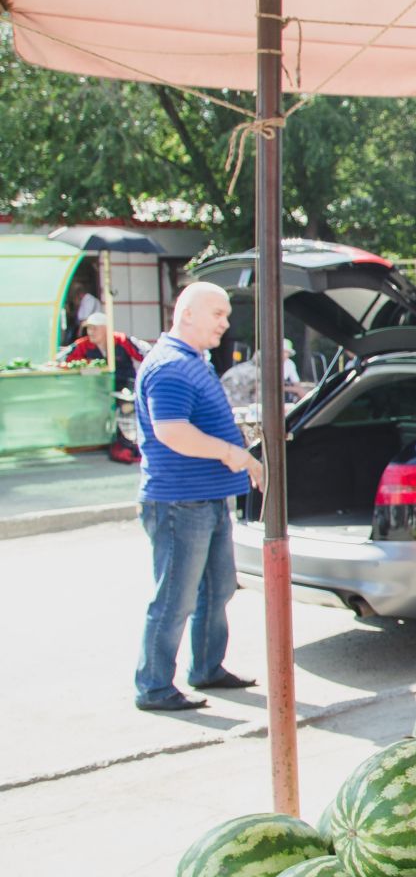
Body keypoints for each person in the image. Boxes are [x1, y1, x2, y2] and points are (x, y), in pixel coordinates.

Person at [132, 282, 264, 712]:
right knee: (175, 598)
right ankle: (154, 687)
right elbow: (171, 431)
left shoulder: (192, 361)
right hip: (179, 502)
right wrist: (232, 453)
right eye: (218, 314)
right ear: (186, 313)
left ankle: (207, 667)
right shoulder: (171, 365)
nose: (226, 324)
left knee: (217, 588)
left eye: (227, 315)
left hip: (204, 499)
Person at [61, 311, 146, 393]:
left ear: (107, 329)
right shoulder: (82, 345)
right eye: (89, 328)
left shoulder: (122, 340)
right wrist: (89, 366)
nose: (90, 332)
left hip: (126, 388)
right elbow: (63, 360)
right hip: (97, 391)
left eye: (95, 328)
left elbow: (146, 355)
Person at [219, 339, 302, 409]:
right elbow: (261, 404)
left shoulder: (246, 368)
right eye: (282, 352)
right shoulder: (259, 373)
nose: (284, 356)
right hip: (231, 406)